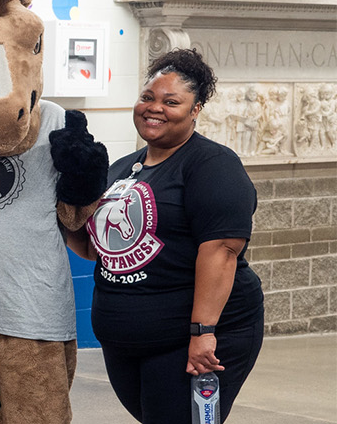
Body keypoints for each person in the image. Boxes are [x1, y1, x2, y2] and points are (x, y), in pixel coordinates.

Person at [66, 48, 264, 423]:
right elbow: (97, 250)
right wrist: (66, 207)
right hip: (127, 340)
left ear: (195, 109)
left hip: (192, 337)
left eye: (171, 101)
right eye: (147, 97)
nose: (154, 107)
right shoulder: (123, 168)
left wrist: (203, 332)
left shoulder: (211, 165)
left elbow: (221, 250)